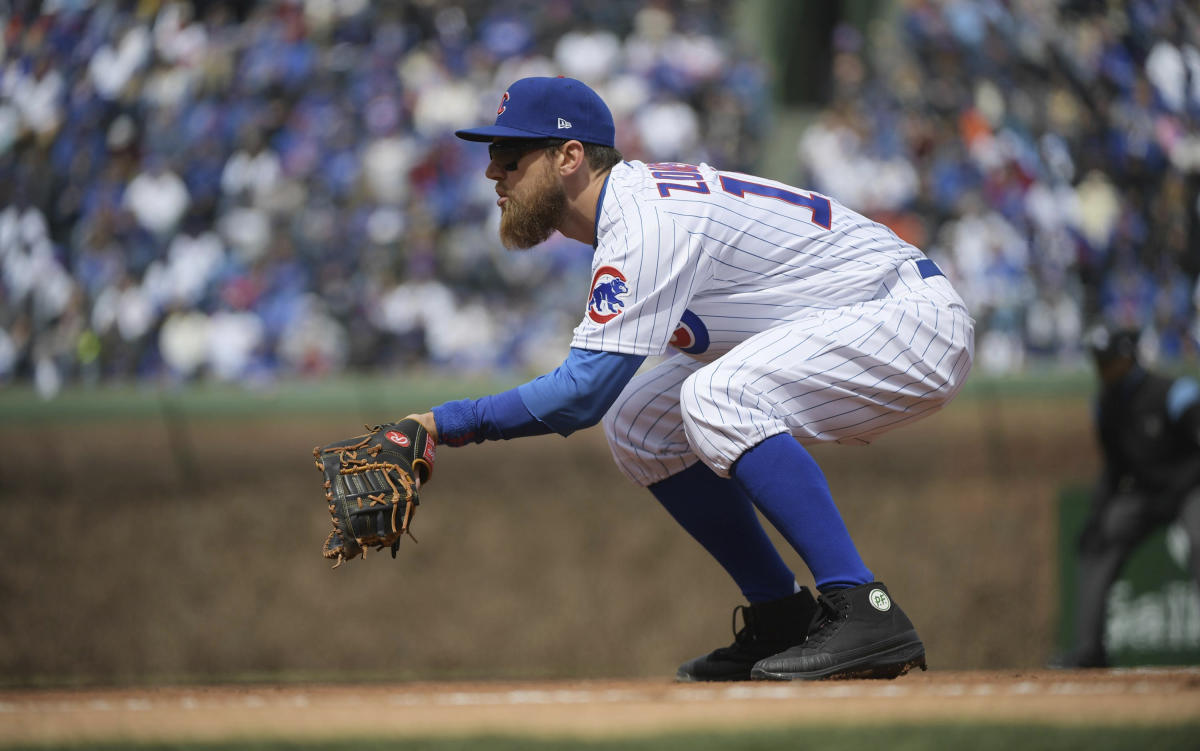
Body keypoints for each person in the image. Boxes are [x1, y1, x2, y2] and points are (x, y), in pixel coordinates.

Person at [404, 76, 975, 681]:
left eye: (509, 157)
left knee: (717, 395)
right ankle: (782, 614)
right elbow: (606, 401)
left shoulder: (645, 220)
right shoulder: (631, 210)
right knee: (640, 421)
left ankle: (862, 606)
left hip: (909, 322)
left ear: (569, 157)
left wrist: (440, 425)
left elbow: (579, 395)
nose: (494, 173)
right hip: (858, 316)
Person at [1054, 325, 1200, 669]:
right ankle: (1090, 649)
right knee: (1101, 540)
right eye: (1099, 362)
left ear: (1130, 358)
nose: (1104, 369)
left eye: (1110, 361)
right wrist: (1096, 516)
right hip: (1145, 494)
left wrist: (1176, 490)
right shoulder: (1105, 405)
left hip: (1190, 486)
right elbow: (1114, 468)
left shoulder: (1176, 393)